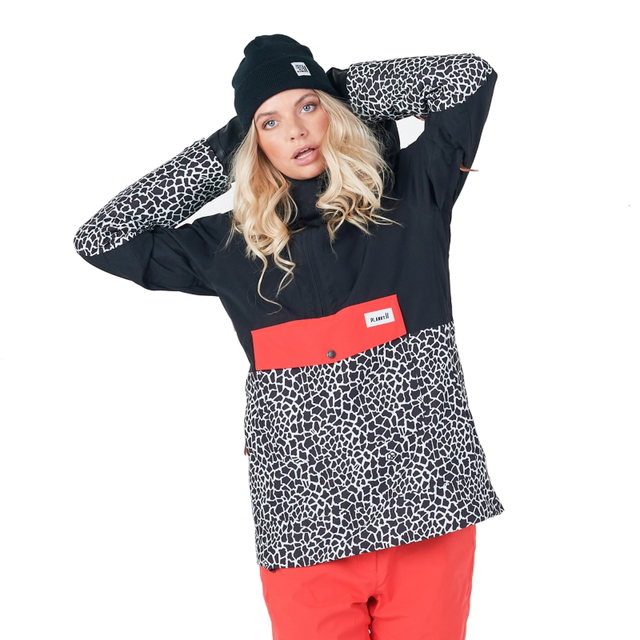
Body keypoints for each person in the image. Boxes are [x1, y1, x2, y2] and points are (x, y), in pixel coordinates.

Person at [72, 31, 507, 640]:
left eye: (308, 108)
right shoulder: (231, 245)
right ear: (252, 143)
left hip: (432, 513)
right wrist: (227, 148)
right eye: (270, 123)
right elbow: (100, 239)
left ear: (335, 112)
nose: (297, 132)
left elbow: (471, 78)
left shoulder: (413, 193)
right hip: (306, 536)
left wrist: (338, 88)